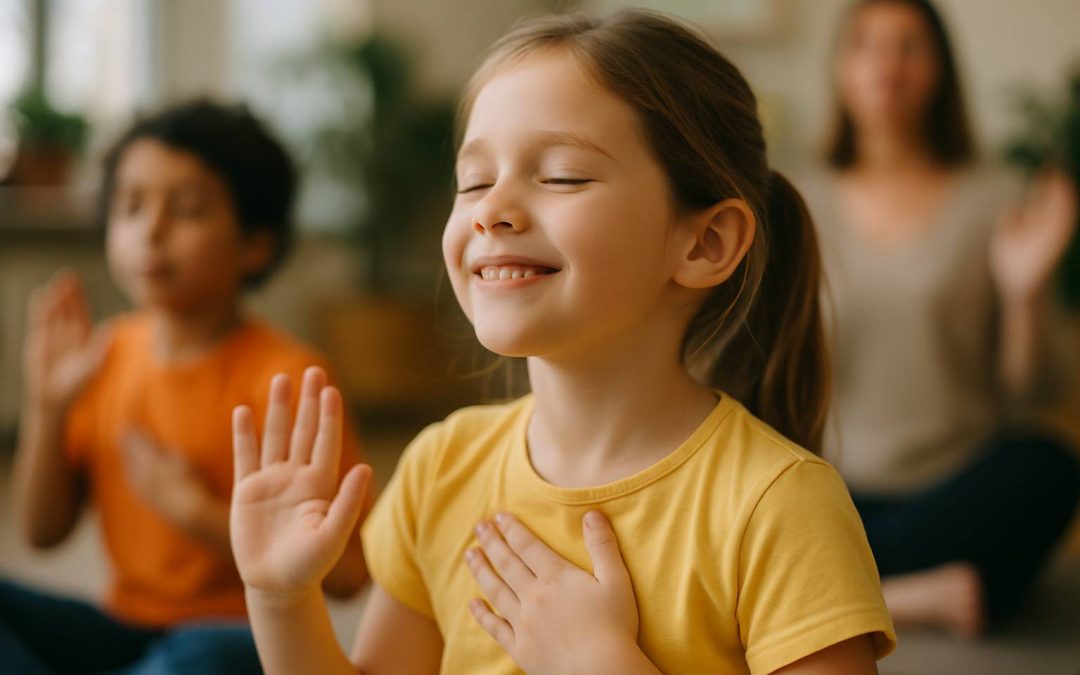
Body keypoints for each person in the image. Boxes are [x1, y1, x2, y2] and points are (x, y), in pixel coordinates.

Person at [230, 10, 897, 675]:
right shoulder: (441, 465)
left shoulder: (779, 504)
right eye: (475, 181)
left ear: (705, 242)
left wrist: (603, 663)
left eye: (562, 176)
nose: (492, 209)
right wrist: (281, 597)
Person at [3, 100, 369, 674]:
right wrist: (48, 410)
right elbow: (41, 533)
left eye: (188, 209)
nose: (150, 230)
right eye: (130, 205)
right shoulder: (105, 357)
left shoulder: (288, 376)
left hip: (237, 635)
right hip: (124, 628)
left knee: (203, 656)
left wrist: (195, 511)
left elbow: (350, 577)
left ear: (255, 243)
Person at [797, 0, 1080, 637]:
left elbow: (1033, 390)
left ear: (942, 70)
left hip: (957, 487)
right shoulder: (794, 201)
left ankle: (830, 595)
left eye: (910, 46)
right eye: (866, 44)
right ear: (840, 68)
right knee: (753, 502)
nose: (887, 66)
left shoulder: (997, 199)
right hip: (825, 490)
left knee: (1050, 469)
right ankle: (918, 597)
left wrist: (1023, 293)